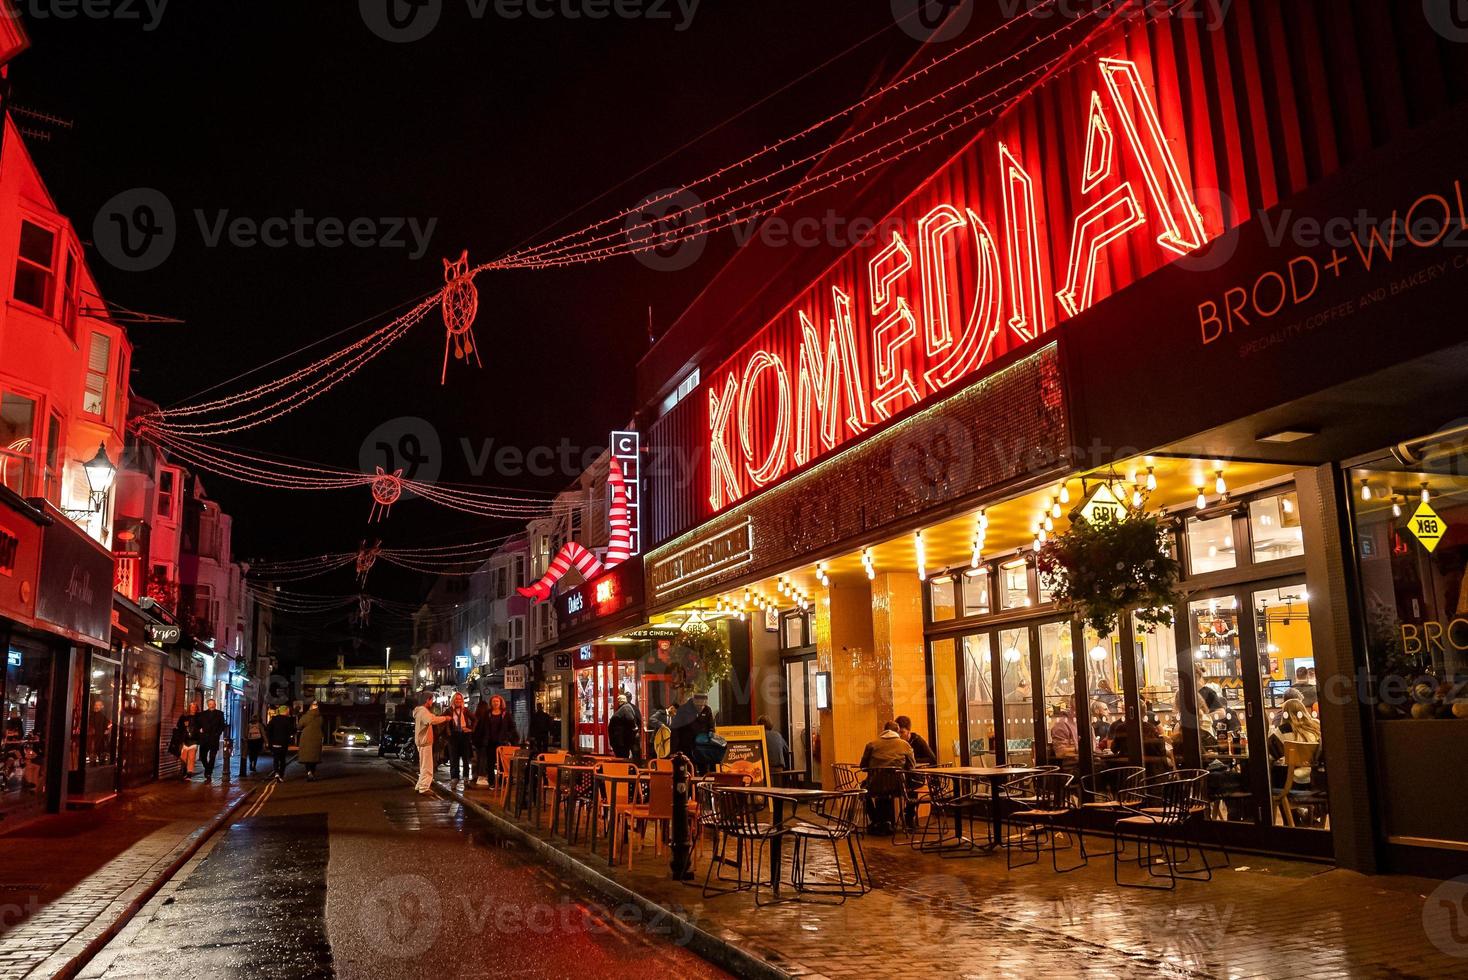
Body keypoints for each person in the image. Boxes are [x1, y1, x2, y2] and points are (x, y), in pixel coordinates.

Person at [859, 722, 915, 833]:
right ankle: (890, 823)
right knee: (892, 791)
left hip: (875, 785)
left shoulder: (872, 744)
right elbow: (911, 766)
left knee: (863, 790)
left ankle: (875, 820)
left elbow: (863, 766)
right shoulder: (905, 745)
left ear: (883, 730)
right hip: (898, 786)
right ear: (897, 731)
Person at [412, 692, 451, 794]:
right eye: (431, 699)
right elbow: (431, 720)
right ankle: (424, 788)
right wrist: (445, 718)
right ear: (427, 700)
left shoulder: (420, 711)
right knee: (427, 766)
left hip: (421, 741)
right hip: (425, 742)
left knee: (423, 765)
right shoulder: (424, 711)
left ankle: (420, 785)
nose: (432, 702)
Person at [671, 692, 716, 774]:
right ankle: (690, 786)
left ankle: (702, 785)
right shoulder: (683, 710)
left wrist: (711, 734)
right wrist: (674, 750)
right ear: (694, 701)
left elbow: (711, 726)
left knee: (704, 770)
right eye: (699, 706)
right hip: (687, 746)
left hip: (702, 747)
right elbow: (675, 730)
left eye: (703, 706)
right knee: (688, 770)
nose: (701, 708)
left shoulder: (707, 710)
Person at [479, 695, 516, 785]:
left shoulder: (505, 714)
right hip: (489, 742)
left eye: (497, 701)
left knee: (502, 763)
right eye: (494, 701)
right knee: (490, 763)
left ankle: (501, 782)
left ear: (500, 703)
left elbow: (512, 727)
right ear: (491, 703)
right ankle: (491, 782)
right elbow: (482, 727)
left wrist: (507, 736)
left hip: (502, 743)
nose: (495, 703)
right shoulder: (487, 714)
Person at [445, 692, 474, 784]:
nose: (458, 700)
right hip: (453, 736)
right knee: (454, 758)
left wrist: (470, 729)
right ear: (453, 700)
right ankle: (454, 777)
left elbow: (475, 719)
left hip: (464, 735)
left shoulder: (465, 710)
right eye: (456, 699)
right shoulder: (449, 710)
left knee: (465, 758)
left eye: (460, 699)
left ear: (462, 700)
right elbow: (441, 719)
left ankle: (466, 777)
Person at [195, 698, 226, 781]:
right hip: (204, 738)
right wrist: (199, 729)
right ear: (207, 705)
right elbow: (197, 724)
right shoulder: (202, 714)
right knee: (203, 756)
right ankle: (208, 769)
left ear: (215, 704)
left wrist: (218, 734)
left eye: (213, 703)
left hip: (214, 738)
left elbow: (222, 725)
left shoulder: (220, 714)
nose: (211, 705)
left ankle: (208, 773)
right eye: (210, 703)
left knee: (212, 757)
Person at [296, 701, 324, 781]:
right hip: (317, 738)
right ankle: (312, 772)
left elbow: (299, 726)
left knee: (307, 757)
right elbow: (322, 726)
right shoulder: (320, 717)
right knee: (314, 758)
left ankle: (309, 772)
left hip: (306, 739)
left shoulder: (306, 716)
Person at [169, 704, 198, 780]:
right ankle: (184, 770)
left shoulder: (198, 717)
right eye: (192, 707)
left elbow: (201, 726)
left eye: (195, 707)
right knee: (183, 757)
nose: (193, 709)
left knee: (191, 757)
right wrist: (183, 725)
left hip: (194, 740)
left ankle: (189, 774)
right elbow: (178, 726)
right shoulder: (184, 717)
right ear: (189, 708)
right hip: (184, 739)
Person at [608, 692, 641, 760]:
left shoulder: (625, 708)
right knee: (626, 755)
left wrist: (635, 728)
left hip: (621, 739)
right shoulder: (627, 707)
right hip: (622, 739)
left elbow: (630, 718)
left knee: (622, 757)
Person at [266, 705, 295, 781]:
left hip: (274, 743)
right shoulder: (287, 720)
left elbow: (268, 730)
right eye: (288, 711)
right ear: (285, 711)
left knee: (275, 758)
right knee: (282, 760)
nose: (288, 712)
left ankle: (276, 773)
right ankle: (281, 775)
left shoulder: (273, 719)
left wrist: (270, 741)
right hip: (283, 743)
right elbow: (292, 730)